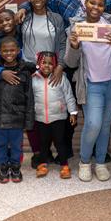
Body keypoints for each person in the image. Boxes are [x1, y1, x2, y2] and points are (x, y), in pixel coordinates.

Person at [16, 0, 111, 161]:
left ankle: (95, 150)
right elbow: (37, 0)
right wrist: (22, 7)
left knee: (85, 111)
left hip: (94, 67)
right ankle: (61, 149)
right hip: (70, 64)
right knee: (62, 106)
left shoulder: (106, 1)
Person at [0, 0, 67, 170]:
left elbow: (62, 44)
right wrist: (22, 8)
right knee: (32, 112)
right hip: (28, 72)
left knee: (53, 111)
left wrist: (59, 65)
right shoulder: (23, 19)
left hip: (50, 70)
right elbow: (10, 34)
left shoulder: (57, 19)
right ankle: (39, 152)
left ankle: (54, 151)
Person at [65, 0, 111, 182]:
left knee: (104, 125)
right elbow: (70, 62)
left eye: (100, 4)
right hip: (90, 83)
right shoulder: (76, 28)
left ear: (104, 7)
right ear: (86, 4)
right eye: (92, 3)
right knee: (93, 123)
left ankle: (100, 162)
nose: (96, 7)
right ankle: (85, 162)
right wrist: (74, 46)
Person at [0, 36, 36, 183]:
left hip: (17, 117)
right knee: (0, 144)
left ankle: (16, 167)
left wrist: (29, 121)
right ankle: (3, 167)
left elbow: (29, 98)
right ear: (0, 52)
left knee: (17, 145)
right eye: (5, 51)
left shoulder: (24, 72)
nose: (9, 53)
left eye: (12, 50)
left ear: (18, 51)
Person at [32, 51, 78, 179]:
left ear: (55, 65)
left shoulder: (61, 78)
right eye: (43, 62)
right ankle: (42, 164)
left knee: (60, 142)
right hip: (40, 118)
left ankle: (64, 165)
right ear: (38, 64)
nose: (47, 66)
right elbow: (30, 99)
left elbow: (69, 96)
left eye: (50, 63)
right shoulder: (33, 79)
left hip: (58, 117)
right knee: (43, 143)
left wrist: (73, 112)